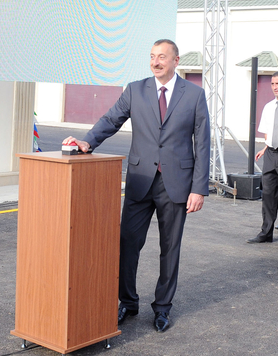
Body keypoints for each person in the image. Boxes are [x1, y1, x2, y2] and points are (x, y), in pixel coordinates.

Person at [62, 39, 210, 333]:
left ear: (176, 60)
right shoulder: (135, 90)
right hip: (140, 180)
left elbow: (202, 142)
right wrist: (87, 141)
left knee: (170, 248)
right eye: (152, 56)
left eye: (162, 57)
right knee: (128, 244)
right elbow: (111, 119)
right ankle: (128, 302)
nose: (156, 62)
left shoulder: (194, 94)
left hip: (176, 184)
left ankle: (163, 307)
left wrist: (199, 188)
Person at [248, 72, 278, 243]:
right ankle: (266, 233)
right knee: (268, 194)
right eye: (273, 84)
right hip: (271, 154)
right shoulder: (268, 106)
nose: (275, 87)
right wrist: (267, 147)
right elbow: (268, 131)